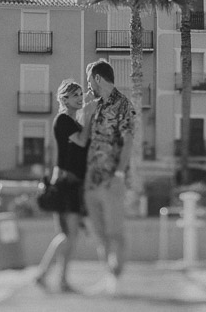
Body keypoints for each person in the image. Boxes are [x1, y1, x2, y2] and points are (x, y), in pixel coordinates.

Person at [33, 79, 90, 292]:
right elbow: (83, 142)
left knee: (69, 236)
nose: (80, 98)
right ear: (64, 98)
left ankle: (59, 279)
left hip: (74, 185)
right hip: (66, 184)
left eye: (81, 94)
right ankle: (44, 274)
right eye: (75, 95)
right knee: (68, 235)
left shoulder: (76, 124)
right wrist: (91, 117)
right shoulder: (63, 120)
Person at [84, 59, 135, 295]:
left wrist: (119, 173)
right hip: (91, 180)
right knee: (99, 235)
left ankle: (117, 279)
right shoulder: (94, 106)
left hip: (111, 179)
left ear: (97, 78)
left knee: (115, 233)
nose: (88, 87)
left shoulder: (124, 104)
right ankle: (108, 276)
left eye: (89, 81)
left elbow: (128, 142)